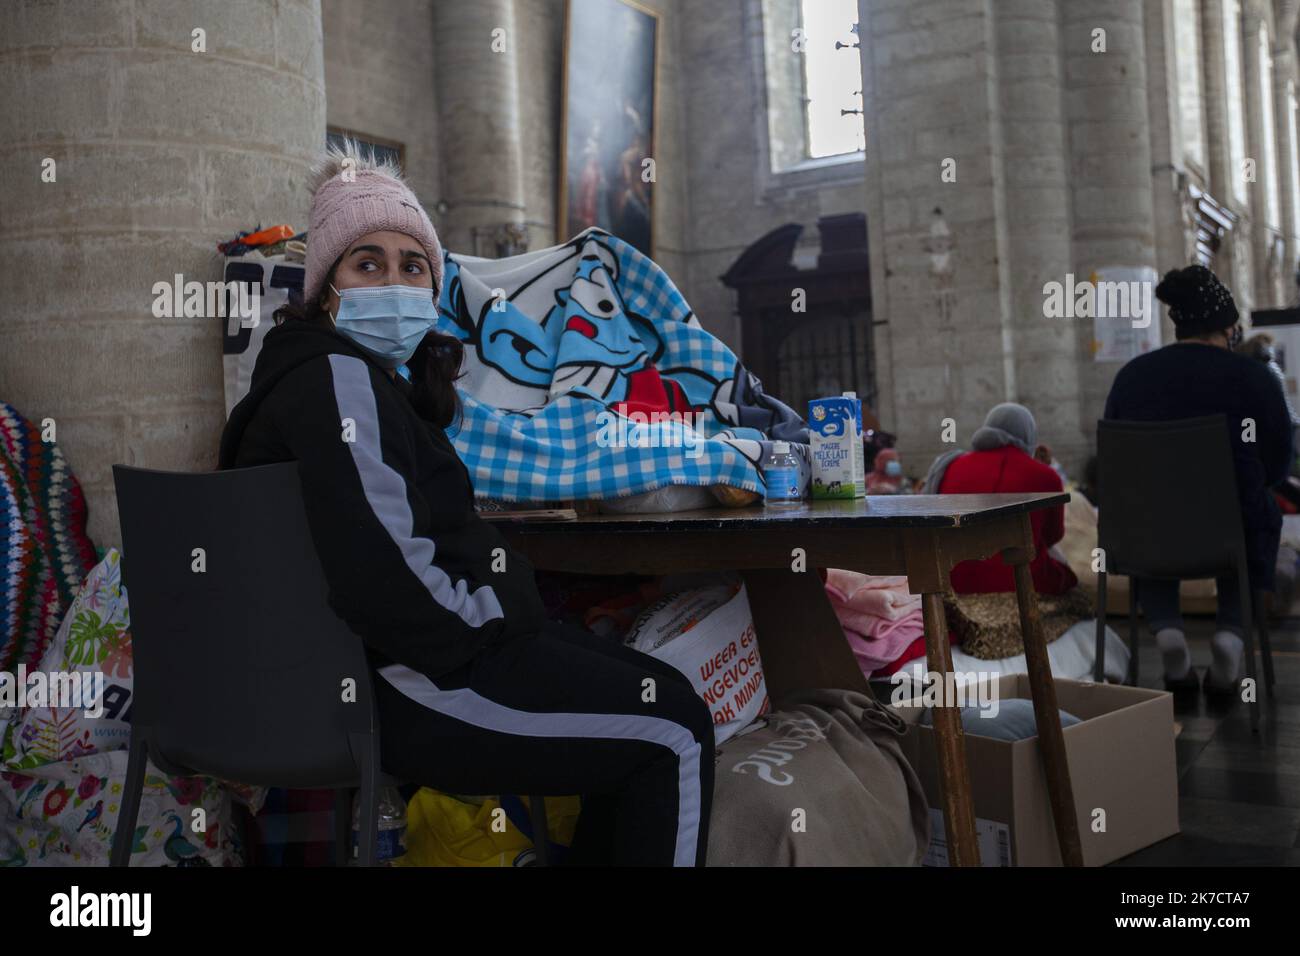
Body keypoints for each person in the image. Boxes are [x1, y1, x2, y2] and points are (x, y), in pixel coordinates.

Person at [217, 142, 714, 866]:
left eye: (412, 266)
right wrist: (492, 620)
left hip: (397, 663)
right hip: (411, 678)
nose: (394, 282)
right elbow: (383, 574)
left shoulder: (353, 382)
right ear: (327, 289)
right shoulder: (335, 379)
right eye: (368, 263)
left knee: (660, 690)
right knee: (674, 731)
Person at [1103, 264, 1292, 698]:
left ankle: (1167, 630)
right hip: (1232, 536)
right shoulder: (1254, 378)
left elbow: (1114, 467)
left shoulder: (1132, 377)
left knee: (1150, 512)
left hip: (1147, 538)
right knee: (1254, 508)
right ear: (1228, 328)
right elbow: (1279, 466)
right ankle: (1230, 633)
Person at [923, 403, 1077, 595]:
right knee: (1067, 577)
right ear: (1028, 434)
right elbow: (1053, 535)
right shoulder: (1046, 476)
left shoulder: (952, 466)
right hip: (1020, 583)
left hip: (954, 582)